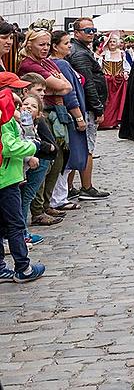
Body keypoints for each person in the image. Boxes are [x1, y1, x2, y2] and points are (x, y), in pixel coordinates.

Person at [17, 28, 76, 219]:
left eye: (47, 44)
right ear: (30, 44)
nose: (45, 48)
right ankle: (37, 209)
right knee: (45, 157)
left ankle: (45, 204)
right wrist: (54, 90)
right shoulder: (29, 65)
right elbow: (60, 86)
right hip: (41, 113)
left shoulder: (48, 62)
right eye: (41, 44)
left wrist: (57, 87)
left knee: (57, 158)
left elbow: (68, 86)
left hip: (52, 112)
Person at [0, 72, 46, 283]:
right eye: (15, 90)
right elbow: (9, 147)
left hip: (7, 175)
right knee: (16, 224)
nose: (20, 94)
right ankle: (23, 268)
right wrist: (33, 146)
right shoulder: (4, 117)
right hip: (5, 178)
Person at [66, 18, 109, 200]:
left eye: (93, 30)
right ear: (76, 33)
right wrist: (98, 108)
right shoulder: (80, 54)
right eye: (87, 30)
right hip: (87, 106)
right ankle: (86, 186)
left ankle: (70, 187)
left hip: (85, 104)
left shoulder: (81, 50)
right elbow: (88, 83)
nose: (91, 33)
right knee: (87, 147)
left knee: (78, 147)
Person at [46, 31, 90, 207]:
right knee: (67, 157)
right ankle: (59, 198)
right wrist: (79, 117)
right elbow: (69, 93)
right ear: (55, 47)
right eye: (65, 43)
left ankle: (60, 196)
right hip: (70, 116)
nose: (69, 46)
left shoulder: (62, 63)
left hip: (70, 114)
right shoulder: (61, 64)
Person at [18, 95, 58, 245]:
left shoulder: (34, 124)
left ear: (40, 114)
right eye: (25, 104)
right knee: (24, 198)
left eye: (33, 106)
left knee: (26, 197)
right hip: (22, 166)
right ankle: (20, 234)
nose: (28, 107)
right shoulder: (18, 123)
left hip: (34, 163)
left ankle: (21, 232)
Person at [98, 35, 129, 129]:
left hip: (119, 81)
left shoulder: (122, 54)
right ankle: (106, 122)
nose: (112, 43)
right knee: (107, 102)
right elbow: (99, 67)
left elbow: (126, 67)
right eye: (110, 42)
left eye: (114, 42)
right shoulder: (104, 54)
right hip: (107, 81)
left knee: (118, 102)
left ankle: (115, 121)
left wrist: (126, 73)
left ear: (117, 43)